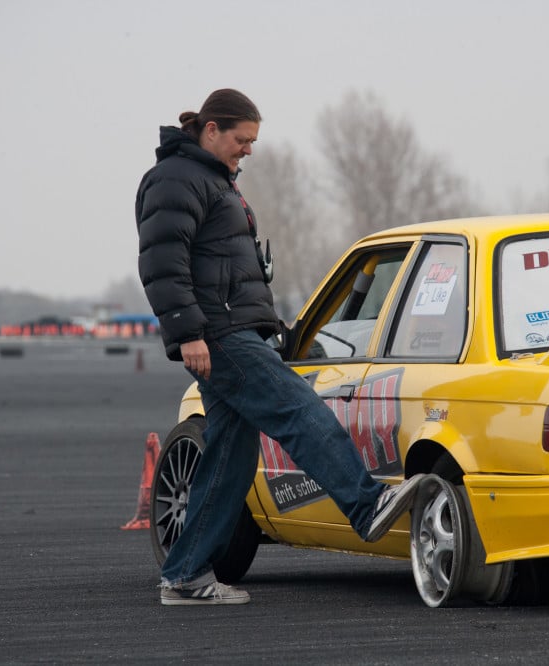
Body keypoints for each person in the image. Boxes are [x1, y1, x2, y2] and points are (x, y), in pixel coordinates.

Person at [134, 89, 425, 606]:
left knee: (230, 458)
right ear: (211, 130)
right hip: (220, 335)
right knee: (299, 409)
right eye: (242, 140)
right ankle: (366, 506)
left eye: (252, 142)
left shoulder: (212, 179)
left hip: (232, 329)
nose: (248, 150)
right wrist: (189, 334)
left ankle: (184, 575)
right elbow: (162, 261)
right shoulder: (176, 180)